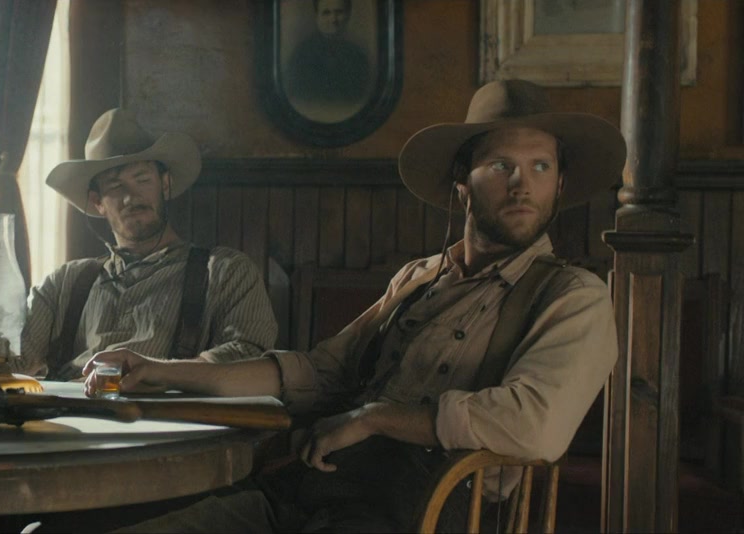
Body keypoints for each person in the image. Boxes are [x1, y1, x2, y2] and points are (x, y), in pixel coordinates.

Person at [89, 80, 626, 532]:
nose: (522, 186)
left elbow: (533, 426)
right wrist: (160, 370)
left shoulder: (572, 296)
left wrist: (375, 418)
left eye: (541, 167)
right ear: (462, 183)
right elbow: (317, 371)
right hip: (312, 494)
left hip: (419, 517)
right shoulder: (419, 278)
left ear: (560, 184)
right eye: (502, 165)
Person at [0, 108, 277, 381]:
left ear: (165, 184)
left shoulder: (224, 271)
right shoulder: (65, 283)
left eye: (142, 180)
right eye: (116, 187)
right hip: (70, 424)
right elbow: (11, 362)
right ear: (97, 202)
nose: (131, 197)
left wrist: (158, 373)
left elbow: (248, 355)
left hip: (167, 426)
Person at [285, 0, 370, 110]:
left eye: (339, 12)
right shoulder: (301, 55)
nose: (333, 19)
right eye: (326, 13)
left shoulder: (358, 56)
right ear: (316, 17)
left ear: (348, 15)